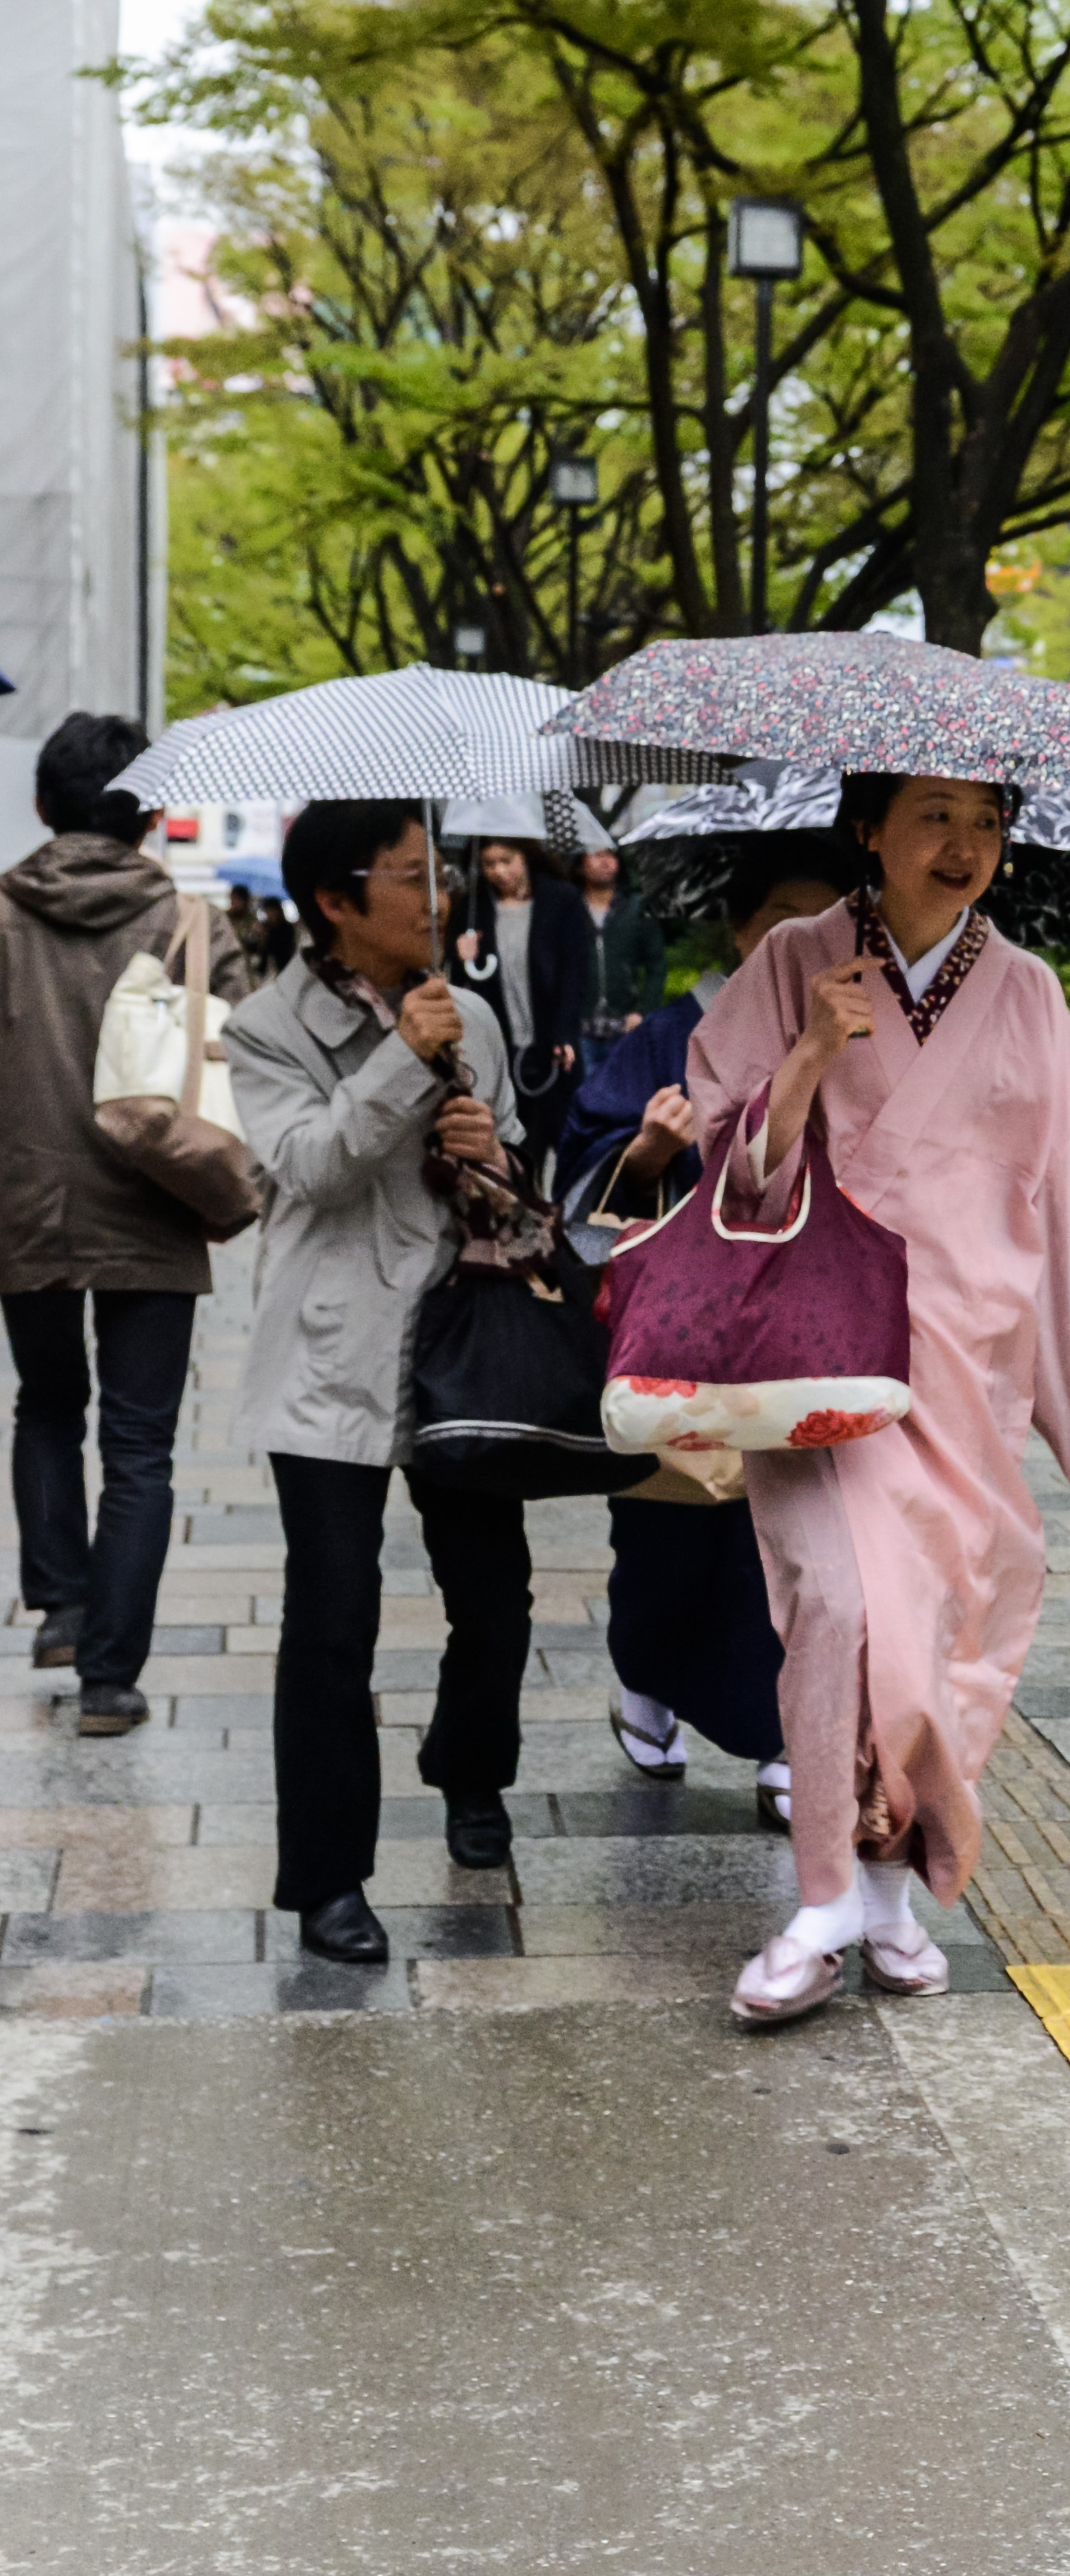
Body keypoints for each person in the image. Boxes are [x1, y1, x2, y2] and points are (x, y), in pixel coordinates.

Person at [687, 773, 1070, 2023]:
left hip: (969, 1359)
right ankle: (819, 1897)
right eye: (932, 817)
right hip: (818, 1350)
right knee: (842, 1608)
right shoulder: (800, 959)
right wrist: (808, 1049)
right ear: (868, 828)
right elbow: (723, 1162)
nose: (964, 846)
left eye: (987, 821)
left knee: (950, 1628)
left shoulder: (1026, 989)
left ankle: (892, 1891)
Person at [226, 803, 535, 1967]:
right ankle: (327, 1880)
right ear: (336, 902)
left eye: (437, 870)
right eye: (409, 877)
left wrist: (486, 1154)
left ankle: (469, 1767)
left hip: (458, 1344)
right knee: (333, 1621)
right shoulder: (265, 1027)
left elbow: (508, 1179)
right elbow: (305, 1165)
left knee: (494, 1596)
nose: (435, 896)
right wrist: (404, 1060)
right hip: (330, 1359)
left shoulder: (475, 1015)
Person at [559, 841, 850, 1833]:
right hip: (680, 1337)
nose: (808, 944)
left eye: (830, 923)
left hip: (808, 1333)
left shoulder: (857, 1038)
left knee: (791, 1546)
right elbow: (590, 1169)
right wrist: (642, 1154)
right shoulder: (669, 1037)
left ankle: (782, 1736)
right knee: (669, 1530)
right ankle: (644, 1674)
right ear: (738, 926)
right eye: (784, 918)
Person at [0, 713, 250, 1735]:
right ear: (150, 817)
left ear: (42, 806)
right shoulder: (193, 926)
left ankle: (60, 1603)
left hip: (25, 1204)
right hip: (157, 1202)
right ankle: (111, 1678)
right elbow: (245, 1070)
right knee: (140, 1445)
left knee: (46, 1407)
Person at [450, 837, 594, 1165]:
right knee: (519, 1147)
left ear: (525, 857)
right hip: (503, 1047)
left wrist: (566, 1033)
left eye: (506, 860)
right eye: (489, 864)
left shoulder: (562, 900)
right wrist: (461, 958)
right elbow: (461, 987)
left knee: (570, 1144)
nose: (499, 871)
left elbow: (576, 972)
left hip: (553, 1047)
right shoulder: (473, 909)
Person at [578, 844, 666, 1049]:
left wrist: (645, 1011)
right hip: (579, 1028)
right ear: (579, 865)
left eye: (611, 855)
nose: (605, 861)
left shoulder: (638, 907)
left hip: (625, 1026)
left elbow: (657, 965)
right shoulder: (570, 907)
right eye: (596, 854)